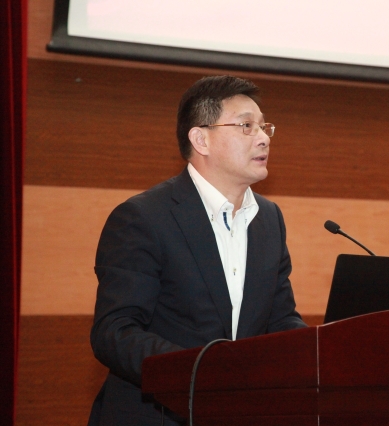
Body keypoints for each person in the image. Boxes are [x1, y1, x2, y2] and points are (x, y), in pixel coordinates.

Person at [88, 75, 306, 426]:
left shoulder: (268, 218)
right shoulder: (144, 217)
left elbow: (279, 319)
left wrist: (318, 352)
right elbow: (115, 332)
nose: (264, 137)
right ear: (201, 139)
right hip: (158, 415)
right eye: (246, 126)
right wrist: (203, 373)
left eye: (264, 127)